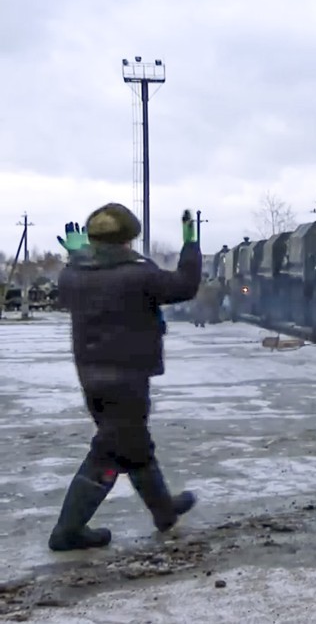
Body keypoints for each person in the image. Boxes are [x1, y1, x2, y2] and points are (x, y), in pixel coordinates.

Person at [48, 204, 202, 551]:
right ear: (127, 240)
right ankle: (67, 530)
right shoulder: (139, 274)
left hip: (92, 377)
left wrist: (76, 256)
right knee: (109, 453)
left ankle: (164, 511)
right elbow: (184, 286)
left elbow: (78, 282)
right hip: (127, 379)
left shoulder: (73, 274)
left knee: (135, 446)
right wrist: (191, 245)